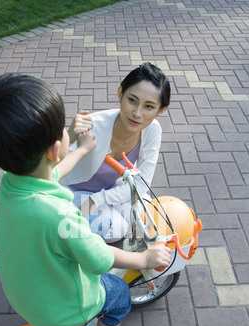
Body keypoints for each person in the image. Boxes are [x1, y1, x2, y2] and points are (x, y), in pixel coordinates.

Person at [0, 73, 171, 326]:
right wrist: (144, 257)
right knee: (118, 296)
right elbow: (100, 258)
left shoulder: (14, 182)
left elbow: (52, 172)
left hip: (20, 292)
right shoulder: (62, 216)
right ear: (54, 149)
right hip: (61, 309)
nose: (69, 132)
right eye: (62, 131)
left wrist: (80, 149)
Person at [65, 62, 170, 243]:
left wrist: (98, 200)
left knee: (147, 210)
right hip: (75, 192)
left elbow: (141, 184)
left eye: (149, 106)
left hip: (106, 191)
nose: (137, 113)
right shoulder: (93, 126)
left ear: (161, 110)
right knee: (117, 227)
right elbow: (52, 168)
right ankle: (68, 232)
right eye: (132, 100)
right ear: (120, 93)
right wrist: (70, 136)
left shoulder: (152, 130)